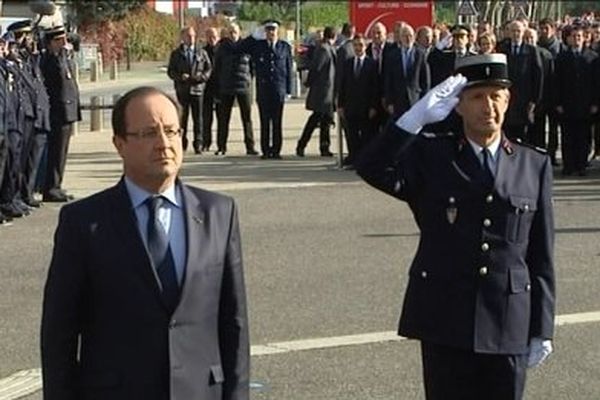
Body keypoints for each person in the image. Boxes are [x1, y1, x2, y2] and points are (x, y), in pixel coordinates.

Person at [356, 54, 555, 400]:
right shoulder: (433, 157)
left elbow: (541, 255)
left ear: (508, 101)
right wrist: (412, 120)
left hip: (508, 319)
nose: (487, 106)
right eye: (477, 97)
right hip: (446, 318)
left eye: (496, 96)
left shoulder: (533, 164)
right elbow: (372, 167)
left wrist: (542, 327)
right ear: (458, 105)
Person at [41, 86, 250, 400]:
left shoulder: (218, 213)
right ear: (120, 144)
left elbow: (234, 323)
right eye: (149, 133)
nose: (164, 144)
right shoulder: (84, 223)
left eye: (170, 131)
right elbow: (59, 335)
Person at [239, 20, 292, 159]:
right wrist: (253, 35)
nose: (271, 33)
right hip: (263, 90)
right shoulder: (258, 46)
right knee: (264, 122)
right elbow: (240, 48)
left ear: (278, 31)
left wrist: (288, 90)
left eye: (273, 30)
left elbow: (288, 69)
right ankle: (266, 151)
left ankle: (276, 150)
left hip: (278, 90)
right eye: (268, 30)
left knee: (277, 122)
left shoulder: (284, 47)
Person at [40, 25, 80, 202]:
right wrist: (60, 54)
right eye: (59, 40)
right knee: (56, 151)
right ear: (51, 43)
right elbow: (55, 82)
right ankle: (51, 187)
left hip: (67, 110)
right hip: (58, 111)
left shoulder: (63, 57)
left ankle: (57, 185)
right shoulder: (50, 60)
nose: (64, 43)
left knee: (62, 152)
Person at [554, 24, 599, 176]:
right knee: (567, 136)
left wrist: (595, 103)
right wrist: (558, 102)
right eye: (574, 36)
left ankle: (581, 165)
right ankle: (569, 165)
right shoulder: (562, 57)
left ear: (584, 38)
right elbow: (557, 81)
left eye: (579, 36)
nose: (577, 39)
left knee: (584, 136)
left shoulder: (592, 58)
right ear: (568, 39)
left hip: (586, 104)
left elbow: (596, 83)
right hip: (567, 104)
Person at [213, 23, 257, 156]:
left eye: (235, 31)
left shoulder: (246, 46)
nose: (233, 34)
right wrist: (218, 86)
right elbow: (217, 68)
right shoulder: (222, 47)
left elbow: (253, 66)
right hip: (226, 87)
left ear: (239, 32)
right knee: (223, 119)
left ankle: (250, 147)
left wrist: (249, 79)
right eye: (230, 32)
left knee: (247, 118)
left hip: (243, 87)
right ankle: (221, 147)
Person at [167, 26, 212, 153]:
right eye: (188, 36)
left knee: (198, 118)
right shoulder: (176, 54)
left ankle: (198, 143)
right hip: (183, 90)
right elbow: (171, 71)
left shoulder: (201, 52)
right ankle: (182, 143)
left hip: (197, 90)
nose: (191, 38)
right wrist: (180, 77)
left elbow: (208, 69)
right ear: (182, 37)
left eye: (193, 36)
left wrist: (200, 78)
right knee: (183, 119)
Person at [497, 20, 543, 142]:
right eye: (513, 31)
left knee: (522, 136)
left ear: (523, 32)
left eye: (518, 31)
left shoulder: (532, 51)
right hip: (507, 99)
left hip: (524, 100)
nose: (516, 34)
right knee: (506, 135)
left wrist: (534, 100)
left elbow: (537, 76)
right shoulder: (502, 49)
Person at [337, 34, 378, 168]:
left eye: (360, 45)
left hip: (366, 107)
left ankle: (364, 162)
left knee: (366, 136)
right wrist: (340, 105)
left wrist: (373, 106)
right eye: (355, 45)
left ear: (365, 47)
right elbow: (342, 85)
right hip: (350, 106)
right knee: (351, 135)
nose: (358, 48)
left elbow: (375, 87)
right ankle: (354, 160)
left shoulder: (372, 64)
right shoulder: (348, 64)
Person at [296, 26, 337, 157]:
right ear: (334, 37)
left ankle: (324, 147)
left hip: (327, 91)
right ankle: (302, 144)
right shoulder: (324, 50)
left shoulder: (328, 48)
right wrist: (309, 82)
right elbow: (316, 68)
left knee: (324, 120)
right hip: (323, 91)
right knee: (316, 119)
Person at [383, 23, 430, 118]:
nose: (408, 39)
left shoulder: (420, 55)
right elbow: (388, 81)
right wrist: (389, 102)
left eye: (410, 36)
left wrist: (423, 101)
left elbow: (426, 81)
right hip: (397, 103)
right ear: (400, 38)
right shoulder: (392, 56)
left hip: (415, 102)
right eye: (405, 36)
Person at [203, 27, 220, 154]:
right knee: (206, 118)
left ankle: (221, 144)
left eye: (214, 36)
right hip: (206, 89)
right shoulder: (202, 52)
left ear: (218, 37)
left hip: (221, 88)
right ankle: (206, 143)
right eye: (209, 36)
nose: (211, 39)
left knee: (222, 118)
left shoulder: (223, 50)